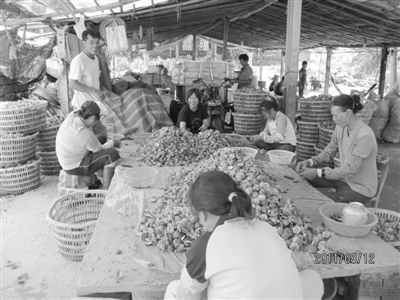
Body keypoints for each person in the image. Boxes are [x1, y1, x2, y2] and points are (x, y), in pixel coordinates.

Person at [164, 170, 323, 300]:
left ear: (203, 214)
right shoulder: (266, 227)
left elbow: (186, 295)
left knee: (173, 289)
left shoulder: (206, 244)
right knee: (312, 277)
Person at [295, 94, 378, 204]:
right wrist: (311, 161)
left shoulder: (364, 135)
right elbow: (330, 149)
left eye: (336, 116)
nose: (334, 120)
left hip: (360, 188)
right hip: (343, 178)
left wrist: (318, 172)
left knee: (326, 204)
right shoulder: (341, 127)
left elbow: (350, 169)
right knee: (303, 176)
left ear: (348, 113)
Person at [56, 101, 122, 190]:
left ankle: (101, 172)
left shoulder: (73, 115)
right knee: (111, 154)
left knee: (101, 138)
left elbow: (97, 103)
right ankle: (106, 188)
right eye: (97, 120)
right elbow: (99, 149)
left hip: (68, 157)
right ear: (93, 118)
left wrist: (102, 117)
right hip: (74, 166)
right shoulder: (85, 133)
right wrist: (113, 142)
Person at [69, 29, 108, 136]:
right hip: (83, 107)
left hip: (94, 104)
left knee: (97, 136)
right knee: (86, 138)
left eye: (97, 42)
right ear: (84, 43)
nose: (95, 45)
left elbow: (93, 80)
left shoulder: (95, 59)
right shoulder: (79, 60)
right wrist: (94, 90)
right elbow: (72, 84)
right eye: (91, 42)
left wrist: (98, 92)